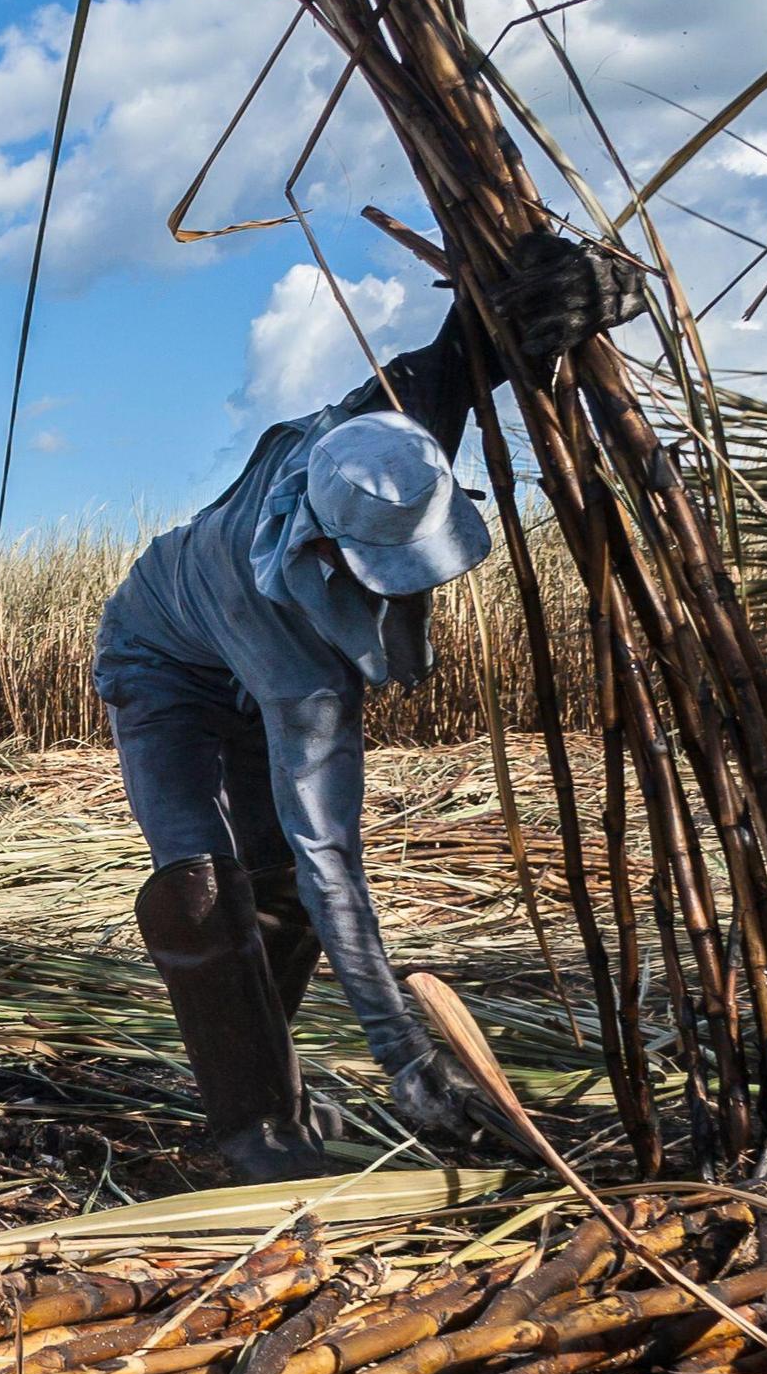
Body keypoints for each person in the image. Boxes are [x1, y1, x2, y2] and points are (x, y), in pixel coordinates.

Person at [95, 233, 643, 1181]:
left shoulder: (369, 445)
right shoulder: (289, 648)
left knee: (275, 891)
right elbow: (332, 858)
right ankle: (251, 1130)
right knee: (204, 889)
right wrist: (405, 1055)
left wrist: (556, 291)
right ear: (326, 558)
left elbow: (445, 365)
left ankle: (270, 1074)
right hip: (165, 667)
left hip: (232, 643)